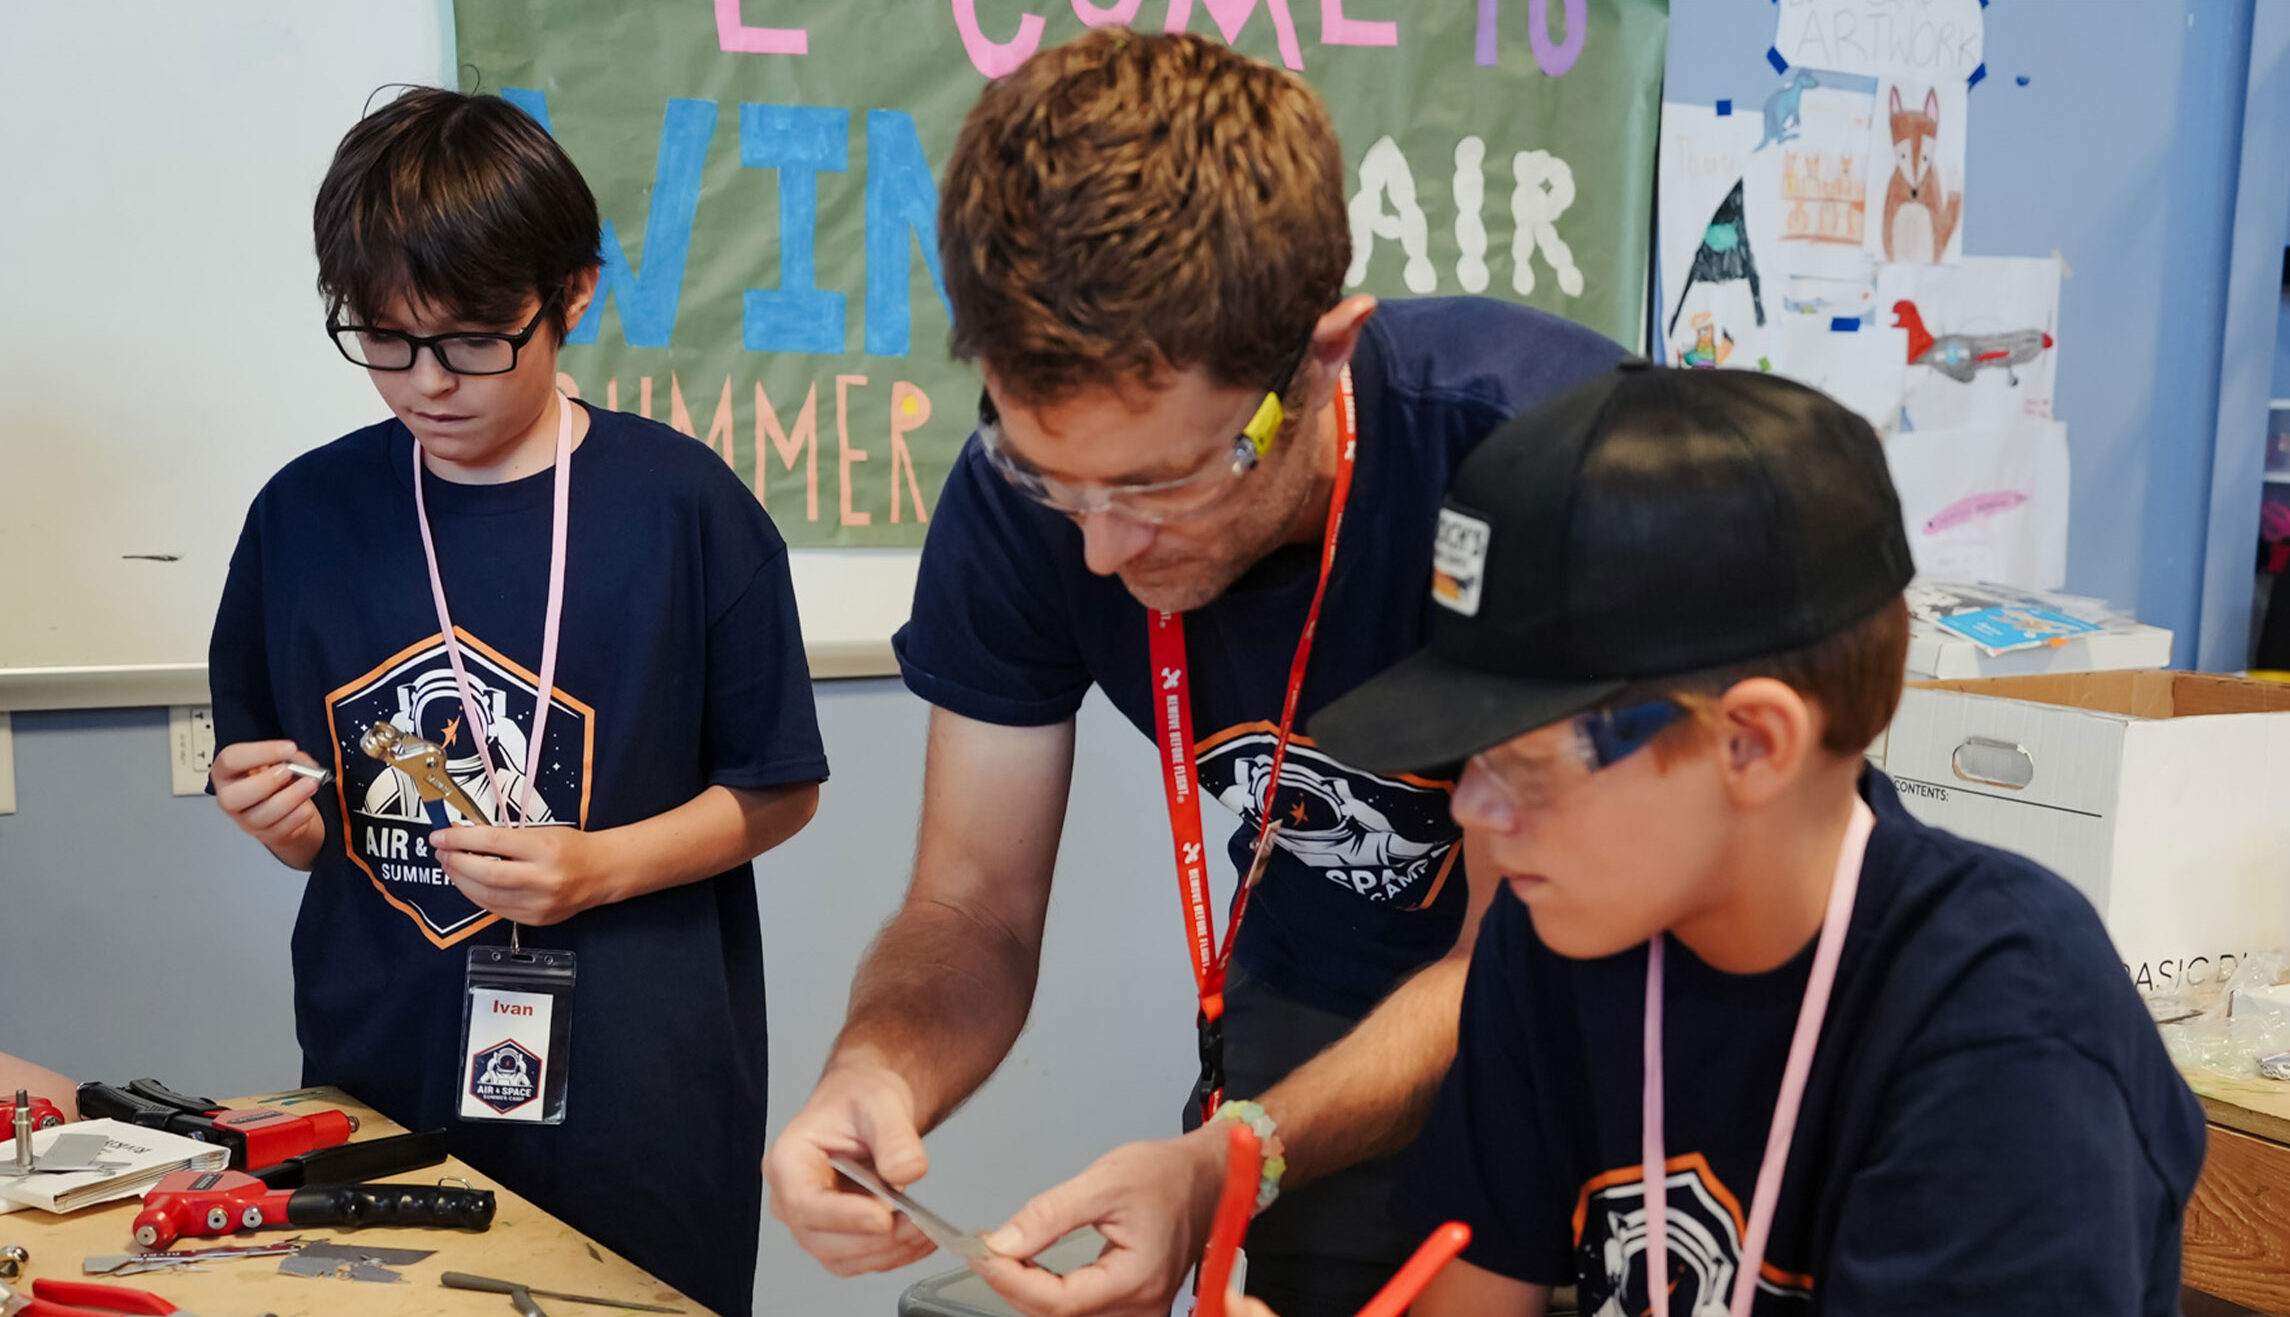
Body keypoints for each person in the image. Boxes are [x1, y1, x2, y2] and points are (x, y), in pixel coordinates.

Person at [763, 28, 1622, 1317]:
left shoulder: (1533, 460)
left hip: (1614, 1019)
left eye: (1162, 483)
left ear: (1322, 355)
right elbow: (971, 902)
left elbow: (1518, 955)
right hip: (1309, 1015)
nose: (1102, 547)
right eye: (1057, 479)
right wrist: (876, 1071)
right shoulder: (1027, 502)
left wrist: (1230, 1160)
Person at [1293, 364, 2207, 1316]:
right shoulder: (1557, 933)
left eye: (1525, 763)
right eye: (1465, 756)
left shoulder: (2006, 1020)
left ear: (1752, 742)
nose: (1474, 809)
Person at [206, 87, 826, 1317]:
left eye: (476, 340)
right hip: (377, 1068)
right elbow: (279, 783)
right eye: (385, 340)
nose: (428, 383)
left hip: (635, 1097)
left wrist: (596, 868)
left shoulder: (683, 510)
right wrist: (275, 821)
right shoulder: (303, 518)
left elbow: (776, 791)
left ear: (575, 295)